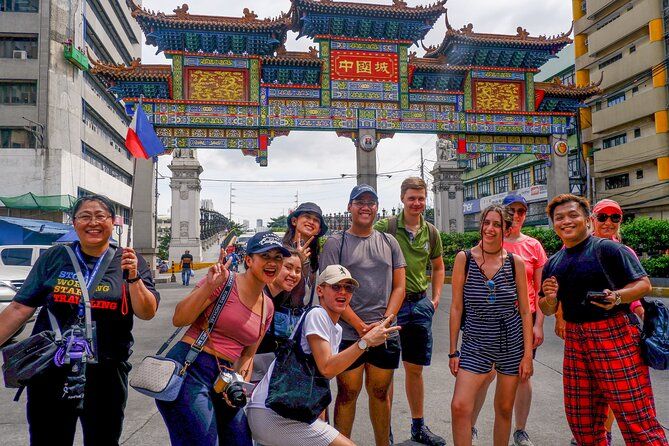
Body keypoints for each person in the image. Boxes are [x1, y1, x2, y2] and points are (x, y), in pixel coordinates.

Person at [0, 195, 159, 445]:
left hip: (106, 371)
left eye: (100, 216)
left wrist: (134, 278)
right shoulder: (55, 257)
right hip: (51, 368)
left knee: (103, 439)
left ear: (113, 222)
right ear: (74, 223)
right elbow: (20, 308)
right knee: (47, 439)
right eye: (85, 216)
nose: (92, 222)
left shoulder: (129, 261)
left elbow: (147, 312)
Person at [538, 194, 667, 446]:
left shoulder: (608, 249)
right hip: (576, 341)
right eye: (559, 217)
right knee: (582, 420)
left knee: (636, 418)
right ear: (553, 224)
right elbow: (547, 307)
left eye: (573, 215)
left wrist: (618, 296)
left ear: (587, 220)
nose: (566, 221)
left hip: (615, 335)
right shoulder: (553, 263)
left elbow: (643, 284)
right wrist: (551, 299)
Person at [156, 231, 290, 446]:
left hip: (225, 379)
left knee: (240, 441)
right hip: (191, 368)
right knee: (202, 441)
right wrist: (209, 286)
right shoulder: (224, 280)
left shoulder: (268, 305)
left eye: (278, 258)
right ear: (249, 260)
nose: (272, 263)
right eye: (265, 256)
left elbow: (248, 354)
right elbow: (180, 318)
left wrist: (239, 386)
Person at [247, 265, 401, 446]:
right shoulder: (317, 315)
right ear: (320, 290)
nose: (343, 292)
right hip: (274, 414)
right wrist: (365, 342)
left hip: (289, 412)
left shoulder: (335, 328)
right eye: (336, 287)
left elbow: (319, 380)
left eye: (348, 288)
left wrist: (320, 420)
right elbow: (327, 368)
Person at [320, 184, 406, 446]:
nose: (365, 207)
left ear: (377, 208)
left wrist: (385, 322)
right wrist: (360, 327)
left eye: (371, 202)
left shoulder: (389, 242)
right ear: (350, 207)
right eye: (360, 202)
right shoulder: (336, 243)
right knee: (347, 393)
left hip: (384, 332)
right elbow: (330, 290)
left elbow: (399, 286)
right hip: (348, 332)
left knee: (380, 393)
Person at [449, 204, 534, 446]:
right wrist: (454, 350)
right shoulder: (464, 259)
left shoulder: (515, 262)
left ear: (506, 229)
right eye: (487, 222)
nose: (490, 228)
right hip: (475, 341)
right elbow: (456, 308)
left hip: (510, 341)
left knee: (504, 409)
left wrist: (527, 355)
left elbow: (525, 310)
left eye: (497, 224)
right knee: (460, 406)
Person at [469, 195, 547, 446]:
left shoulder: (533, 246)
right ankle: (469, 425)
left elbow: (540, 288)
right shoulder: (488, 241)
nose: (516, 215)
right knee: (486, 374)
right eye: (511, 210)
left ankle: (520, 430)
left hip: (522, 320)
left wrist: (538, 324)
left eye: (521, 211)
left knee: (522, 375)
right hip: (491, 320)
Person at [374, 177, 445, 446]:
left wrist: (436, 298)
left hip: (419, 305)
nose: (417, 203)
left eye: (421, 198)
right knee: (386, 371)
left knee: (415, 370)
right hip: (390, 307)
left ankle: (418, 427)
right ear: (402, 199)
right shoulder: (387, 227)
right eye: (411, 198)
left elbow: (438, 266)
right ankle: (386, 432)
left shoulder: (432, 232)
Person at [253, 248, 303, 381]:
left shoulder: (281, 297)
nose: (294, 274)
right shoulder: (259, 296)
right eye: (288, 267)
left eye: (298, 271)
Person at [284, 202, 329, 306]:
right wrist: (297, 261)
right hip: (280, 316)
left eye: (316, 220)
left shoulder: (316, 256)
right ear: (294, 221)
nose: (311, 222)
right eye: (307, 216)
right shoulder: (281, 251)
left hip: (304, 316)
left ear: (319, 230)